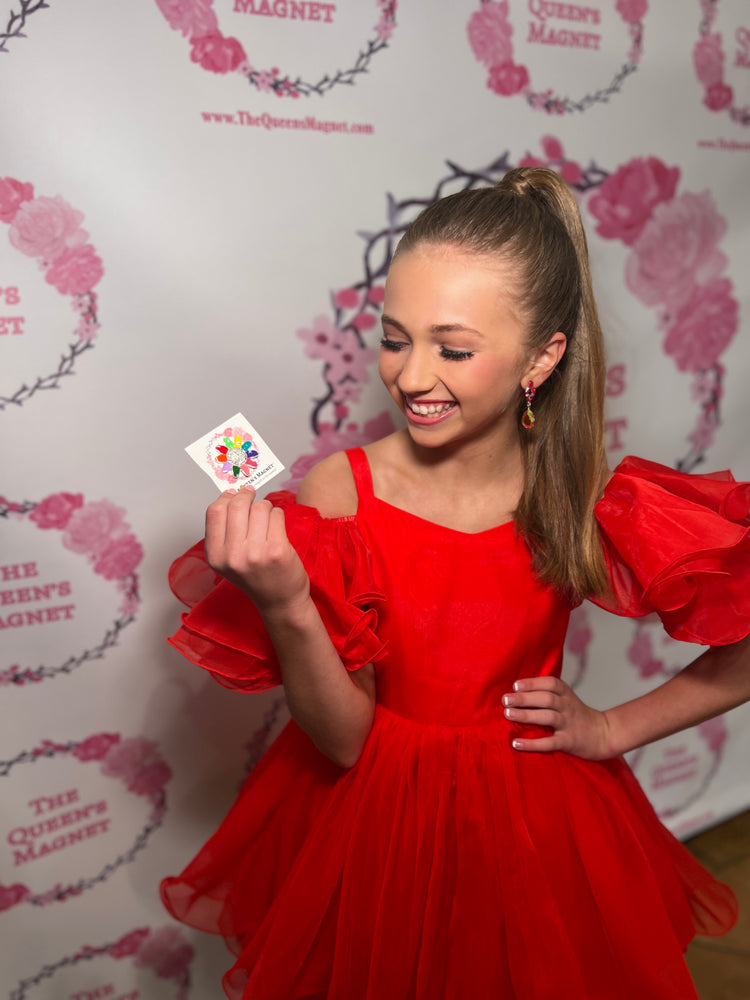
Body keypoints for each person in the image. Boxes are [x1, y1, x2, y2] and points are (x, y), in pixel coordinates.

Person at [161, 167, 750, 1000]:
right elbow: (346, 744)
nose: (409, 376)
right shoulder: (343, 492)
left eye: (454, 349)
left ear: (542, 358)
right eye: (395, 339)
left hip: (535, 824)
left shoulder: (582, 496)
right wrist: (288, 606)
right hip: (373, 828)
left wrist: (615, 726)